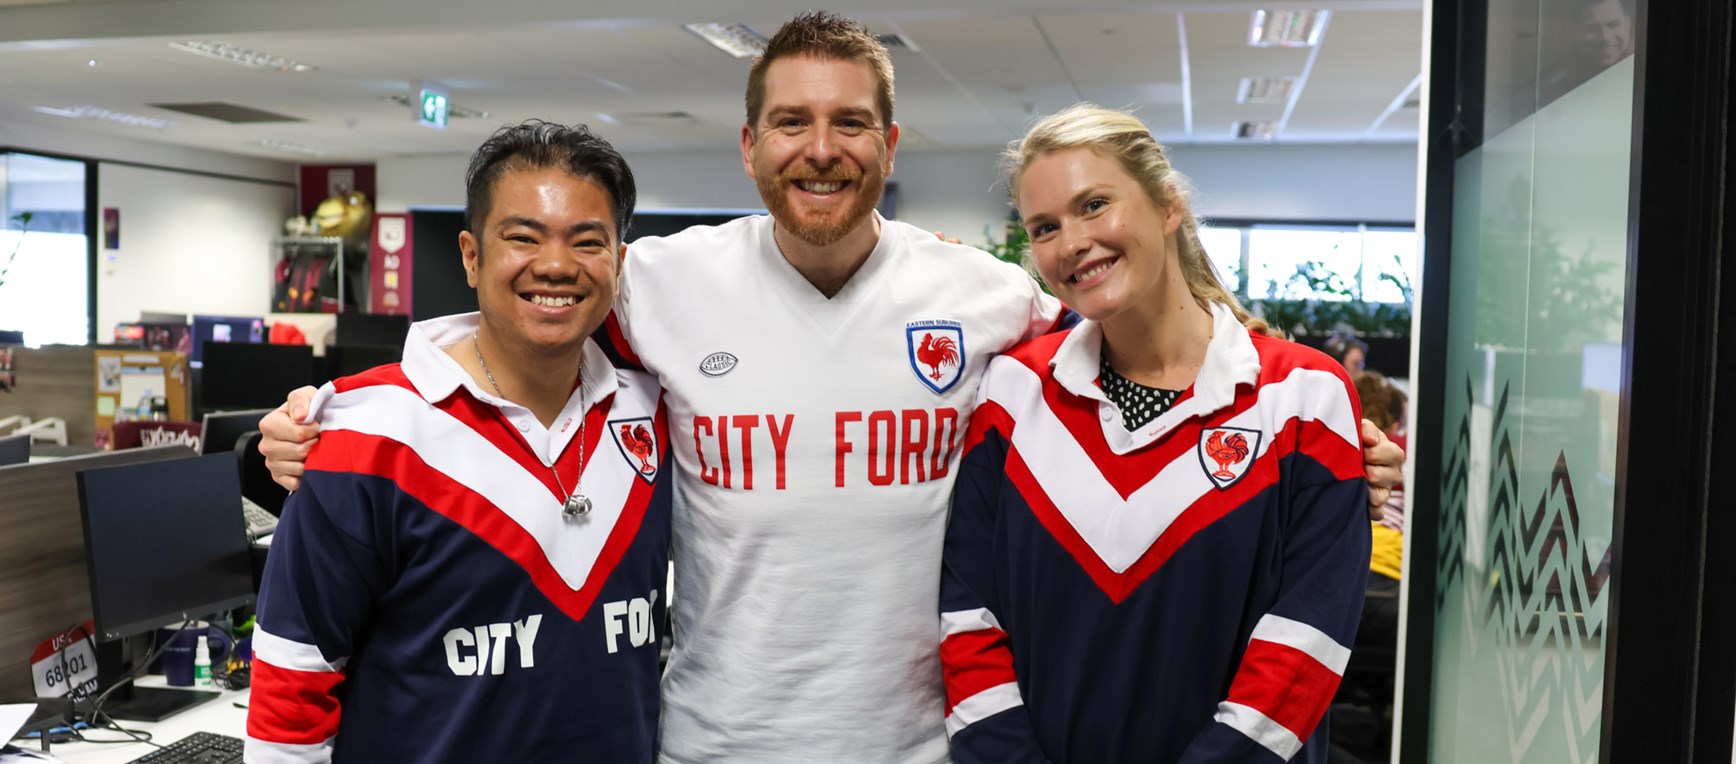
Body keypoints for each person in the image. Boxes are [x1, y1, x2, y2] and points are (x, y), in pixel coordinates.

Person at [258, 13, 1405, 762]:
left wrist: (1300, 394)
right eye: (792, 122)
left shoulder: (989, 297)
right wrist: (321, 414)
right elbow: (524, 312)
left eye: (849, 121)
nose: (822, 147)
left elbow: (1136, 327)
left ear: (889, 143)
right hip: (711, 739)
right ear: (749, 145)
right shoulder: (655, 279)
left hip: (926, 742)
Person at [938, 104, 1370, 762]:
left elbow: (1306, 641)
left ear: (1168, 205)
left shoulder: (1302, 397)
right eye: (1046, 226)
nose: (1072, 242)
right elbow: (969, 617)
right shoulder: (1013, 393)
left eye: (1094, 205)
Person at [244, 121, 670, 763]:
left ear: (618, 261)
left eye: (588, 242)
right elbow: (292, 687)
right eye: (523, 237)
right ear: (471, 256)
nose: (555, 265)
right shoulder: (365, 435)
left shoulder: (657, 414)